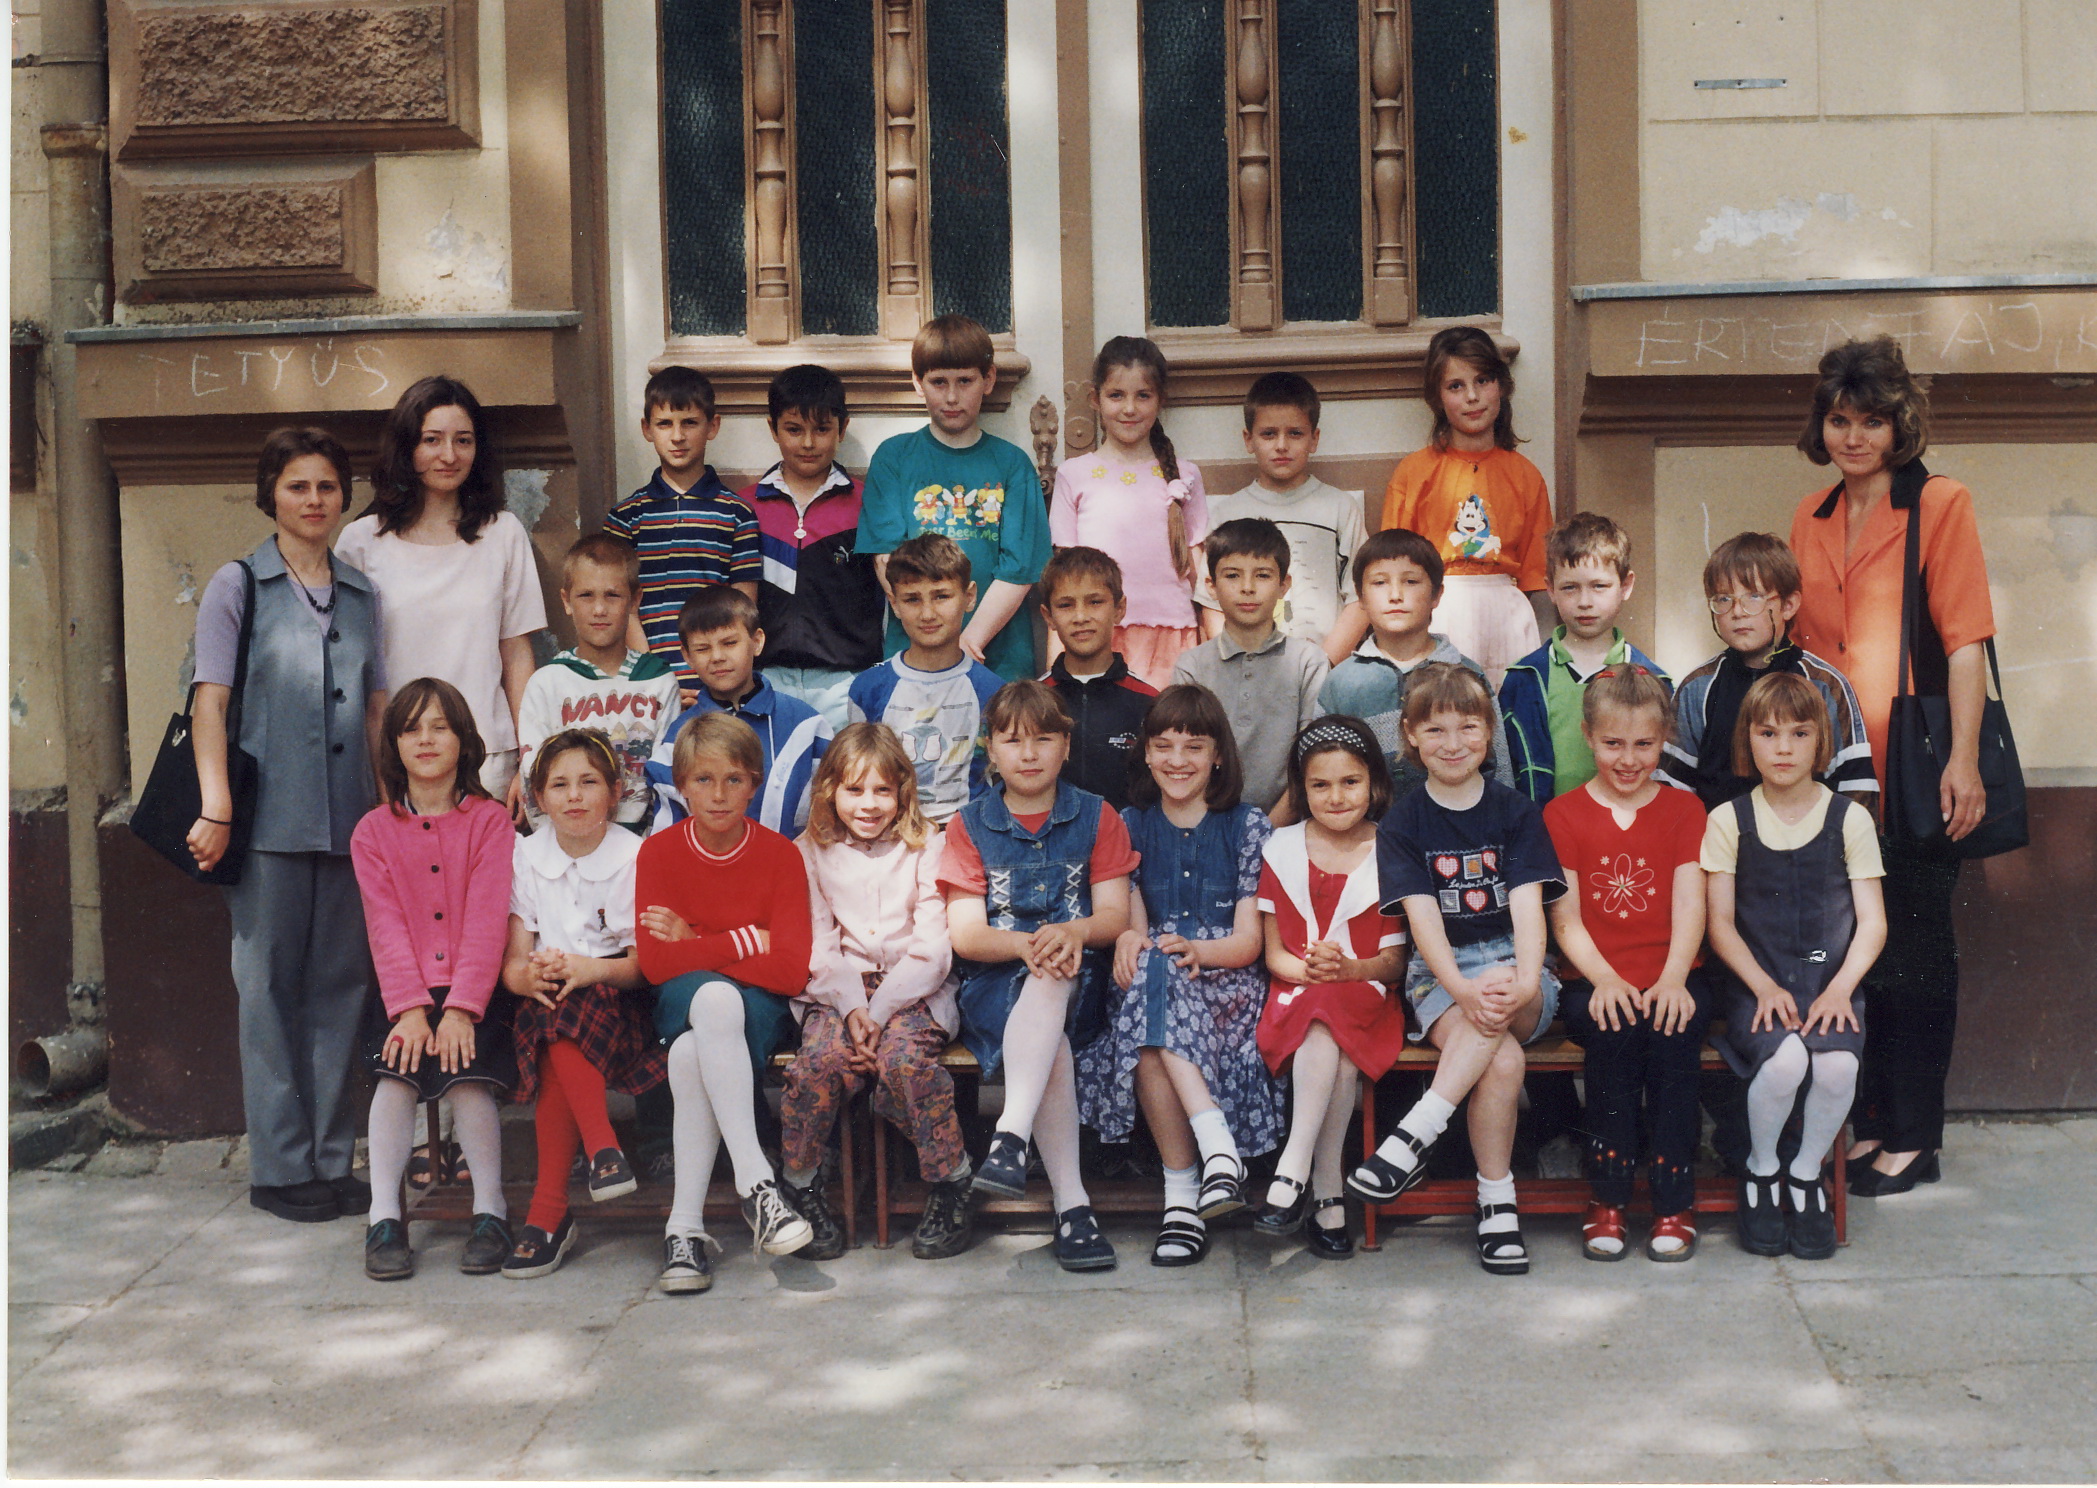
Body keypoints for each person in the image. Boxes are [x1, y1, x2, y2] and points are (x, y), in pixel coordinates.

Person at [1785, 337, 1996, 1198]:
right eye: (1839, 420)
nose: (1853, 437)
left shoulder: (1939, 503)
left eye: (1870, 421)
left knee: (1913, 951)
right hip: (1830, 777)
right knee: (1851, 955)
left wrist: (1963, 761)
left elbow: (1965, 640)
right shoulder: (1809, 516)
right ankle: (1870, 1123)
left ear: (1897, 424)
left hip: (1913, 769)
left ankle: (1914, 1137)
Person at [187, 426, 385, 1225]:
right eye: (297, 485)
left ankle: (331, 1160)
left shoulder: (363, 594)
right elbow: (210, 703)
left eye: (327, 486)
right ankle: (278, 1167)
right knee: (269, 990)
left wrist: (388, 809)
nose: (313, 500)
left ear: (344, 497)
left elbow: (375, 710)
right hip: (265, 822)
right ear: (270, 493)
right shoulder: (237, 585)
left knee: (341, 989)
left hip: (349, 819)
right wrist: (216, 805)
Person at [1348, 664, 1566, 1276]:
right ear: (1411, 736)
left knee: (1501, 992)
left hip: (1519, 966)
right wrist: (1462, 989)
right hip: (1440, 974)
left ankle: (1414, 1134)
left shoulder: (1515, 811)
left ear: (1489, 731)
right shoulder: (1404, 823)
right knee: (1503, 1060)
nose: (1453, 743)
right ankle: (1497, 1204)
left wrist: (1524, 980)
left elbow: (1528, 912)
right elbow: (1425, 926)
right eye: (1435, 729)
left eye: (1468, 727)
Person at [1077, 685, 1280, 1266]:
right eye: (1163, 745)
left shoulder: (1247, 825)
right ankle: (1216, 1156)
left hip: (1227, 988)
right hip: (1156, 984)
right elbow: (1137, 930)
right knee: (1152, 986)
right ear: (1145, 753)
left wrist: (1195, 951)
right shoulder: (1130, 824)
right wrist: (1130, 938)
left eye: (1194, 747)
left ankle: (1181, 1201)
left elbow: (1247, 944)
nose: (1177, 760)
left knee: (1150, 1030)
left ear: (1218, 755)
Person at [941, 681, 1135, 1272]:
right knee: (1049, 1025)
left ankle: (1011, 1135)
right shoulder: (969, 824)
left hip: (1083, 981)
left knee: (1053, 980)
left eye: (1043, 739)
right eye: (1012, 741)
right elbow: (967, 935)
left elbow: (1113, 916)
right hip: (995, 986)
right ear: (990, 749)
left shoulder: (1097, 815)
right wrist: (1031, 944)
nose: (1028, 754)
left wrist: (1071, 933)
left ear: (1066, 746)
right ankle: (1072, 1209)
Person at [1704, 673, 1887, 1261]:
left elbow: (1873, 923)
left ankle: (1806, 1173)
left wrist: (1840, 989)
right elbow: (1719, 924)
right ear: (1748, 740)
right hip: (1758, 986)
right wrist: (1761, 986)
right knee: (1784, 1063)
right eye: (1768, 733)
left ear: (1820, 741)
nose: (1783, 747)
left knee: (1837, 1068)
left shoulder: (1849, 819)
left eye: (1799, 733)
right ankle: (1762, 1169)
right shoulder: (1729, 819)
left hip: (1831, 983)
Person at [638, 713, 817, 1294]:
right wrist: (744, 941)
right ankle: (758, 1184)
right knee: (712, 998)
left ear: (754, 785)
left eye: (734, 779)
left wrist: (693, 941)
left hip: (759, 1008)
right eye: (704, 780)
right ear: (682, 787)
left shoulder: (780, 854)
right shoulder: (659, 853)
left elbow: (789, 970)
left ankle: (683, 1232)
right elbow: (656, 964)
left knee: (693, 1051)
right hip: (681, 999)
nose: (718, 794)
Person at [783, 724, 973, 1262]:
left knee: (903, 1063)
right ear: (830, 791)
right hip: (836, 991)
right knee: (819, 1065)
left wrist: (880, 1011)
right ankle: (800, 1185)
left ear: (902, 791)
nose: (868, 804)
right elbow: (820, 944)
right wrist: (853, 1009)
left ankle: (952, 1180)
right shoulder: (809, 851)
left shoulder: (928, 845)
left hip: (914, 989)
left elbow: (932, 949)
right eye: (854, 790)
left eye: (882, 790)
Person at [351, 679, 517, 1282]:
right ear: (394, 746)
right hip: (406, 992)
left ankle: (490, 1210)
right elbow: (385, 925)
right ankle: (384, 1217)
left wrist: (463, 1008)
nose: (426, 739)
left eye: (440, 727)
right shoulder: (373, 831)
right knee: (395, 1079)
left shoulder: (490, 822)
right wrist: (410, 1009)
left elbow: (488, 919)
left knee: (467, 1080)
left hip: (474, 990)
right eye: (411, 729)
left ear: (464, 741)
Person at [1543, 668, 1710, 1262]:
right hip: (1593, 977)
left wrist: (1674, 977)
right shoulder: (1563, 815)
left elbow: (1690, 903)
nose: (1629, 759)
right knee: (1612, 1033)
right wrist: (1605, 979)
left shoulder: (1685, 810)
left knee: (1672, 1032)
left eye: (1644, 744)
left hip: (1675, 973)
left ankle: (1673, 1201)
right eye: (1613, 743)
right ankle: (1607, 1197)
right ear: (1589, 736)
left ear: (1665, 738)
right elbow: (1566, 918)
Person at [496, 729, 665, 1279]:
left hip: (619, 1000)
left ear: (614, 793)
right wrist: (528, 978)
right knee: (552, 1013)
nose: (574, 796)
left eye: (589, 782)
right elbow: (513, 963)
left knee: (561, 1022)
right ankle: (602, 1151)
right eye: (559, 785)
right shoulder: (526, 855)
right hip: (545, 1002)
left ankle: (548, 1213)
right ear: (538, 798)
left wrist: (589, 970)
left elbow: (642, 966)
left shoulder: (633, 855)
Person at [337, 375, 548, 803]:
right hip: (397, 761)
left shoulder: (503, 533)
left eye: (463, 441)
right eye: (431, 440)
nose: (449, 456)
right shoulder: (360, 542)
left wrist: (530, 759)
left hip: (487, 758)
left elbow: (516, 653)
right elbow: (348, 669)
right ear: (406, 447)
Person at [1251, 717, 1407, 1260]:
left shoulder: (1390, 849)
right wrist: (1313, 974)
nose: (1336, 797)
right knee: (1329, 1037)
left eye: (1350, 782)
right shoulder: (1281, 848)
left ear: (1374, 783)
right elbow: (1274, 953)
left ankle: (1293, 1170)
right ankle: (1327, 1194)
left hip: (1367, 993)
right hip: (1294, 992)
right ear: (1302, 789)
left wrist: (1347, 970)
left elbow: (1393, 963)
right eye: (1320, 785)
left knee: (1331, 1013)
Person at [857, 313, 1050, 682]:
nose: (951, 396)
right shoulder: (894, 457)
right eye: (938, 382)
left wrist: (968, 642)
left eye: (965, 381)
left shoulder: (1012, 464)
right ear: (918, 382)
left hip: (997, 658)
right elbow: (887, 559)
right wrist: (936, 643)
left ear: (988, 379)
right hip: (915, 653)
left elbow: (1020, 569)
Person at [1378, 326, 1552, 686]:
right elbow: (1392, 568)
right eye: (1455, 386)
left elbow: (1538, 577)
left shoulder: (1525, 475)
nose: (1472, 396)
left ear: (1502, 385)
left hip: (1508, 616)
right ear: (1437, 397)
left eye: (1483, 381)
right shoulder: (1414, 473)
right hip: (1438, 612)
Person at [1659, 532, 1877, 812]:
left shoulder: (1825, 685)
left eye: (1754, 597)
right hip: (1717, 838)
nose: (1737, 611)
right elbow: (1673, 789)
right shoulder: (1697, 688)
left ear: (1788, 605)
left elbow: (1856, 789)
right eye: (1723, 599)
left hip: (1810, 839)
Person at [1049, 336, 1209, 688]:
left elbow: (1200, 571)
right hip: (1096, 637)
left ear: (1161, 399)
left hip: (1172, 635)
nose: (1130, 409)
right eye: (1116, 395)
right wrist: (1055, 664)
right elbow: (1064, 580)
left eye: (1143, 396)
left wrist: (1215, 643)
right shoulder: (1074, 475)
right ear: (1095, 399)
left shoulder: (1185, 476)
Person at [740, 364, 886, 730]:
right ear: (772, 428)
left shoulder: (867, 504)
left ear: (842, 428)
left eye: (821, 429)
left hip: (847, 680)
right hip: (766, 677)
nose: (808, 443)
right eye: (794, 429)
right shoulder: (744, 507)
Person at [1317, 526, 1512, 792]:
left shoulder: (1467, 674)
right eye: (1379, 583)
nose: (1395, 595)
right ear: (1360, 597)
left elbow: (1498, 766)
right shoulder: (1342, 682)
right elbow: (1321, 768)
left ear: (1436, 595)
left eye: (1410, 581)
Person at [604, 365, 761, 693]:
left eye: (689, 422)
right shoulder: (625, 518)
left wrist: (715, 680)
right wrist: (654, 679)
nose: (677, 436)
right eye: (665, 423)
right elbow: (620, 607)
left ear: (712, 426)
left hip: (716, 684)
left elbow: (742, 611)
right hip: (645, 684)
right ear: (647, 429)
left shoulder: (737, 514)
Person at [1499, 513, 1671, 804]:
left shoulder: (1655, 681)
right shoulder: (1524, 678)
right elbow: (1505, 772)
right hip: (1543, 825)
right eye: (1570, 588)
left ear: (1626, 586)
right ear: (1550, 589)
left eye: (1599, 586)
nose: (1585, 602)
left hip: (1626, 826)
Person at [516, 534, 680, 834]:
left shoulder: (657, 682)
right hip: (565, 840)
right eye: (586, 596)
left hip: (639, 844)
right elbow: (534, 775)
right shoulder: (547, 683)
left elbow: (667, 777)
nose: (599, 609)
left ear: (635, 600)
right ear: (566, 601)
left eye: (612, 595)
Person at [1202, 371, 1369, 665]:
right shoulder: (1227, 513)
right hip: (1247, 670)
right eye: (1268, 434)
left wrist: (1324, 664)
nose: (1281, 445)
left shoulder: (1340, 508)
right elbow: (1211, 602)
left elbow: (1361, 597)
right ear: (1249, 439)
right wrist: (1234, 664)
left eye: (1295, 433)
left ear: (1314, 439)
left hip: (1325, 667)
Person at [1172, 517, 1330, 815]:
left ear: (1284, 585)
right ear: (1211, 586)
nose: (1247, 588)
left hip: (1289, 825)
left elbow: (1314, 759)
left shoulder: (1308, 662)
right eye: (1232, 575)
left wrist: (1269, 829)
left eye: (1262, 575)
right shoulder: (1192, 666)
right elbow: (1183, 758)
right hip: (1208, 822)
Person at [645, 586, 829, 836]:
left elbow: (827, 820)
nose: (717, 657)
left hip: (793, 860)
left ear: (757, 641)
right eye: (702, 648)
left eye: (729, 643)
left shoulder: (806, 725)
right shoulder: (676, 739)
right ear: (687, 656)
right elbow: (669, 836)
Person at [846, 534, 1003, 824]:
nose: (928, 614)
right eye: (912, 599)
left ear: (969, 597)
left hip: (969, 836)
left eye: (941, 596)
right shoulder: (867, 689)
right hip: (891, 834)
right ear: (894, 603)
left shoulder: (994, 692)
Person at [1038, 546, 1158, 810]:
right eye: (1066, 605)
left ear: (1119, 608)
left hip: (1126, 835)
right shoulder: (1034, 701)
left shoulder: (1150, 703)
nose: (1081, 617)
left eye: (1095, 602)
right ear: (1048, 616)